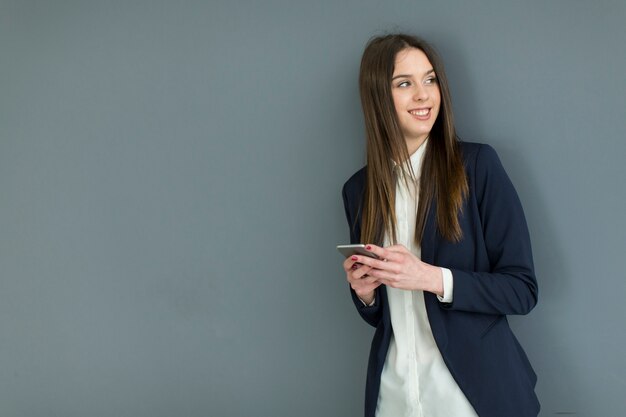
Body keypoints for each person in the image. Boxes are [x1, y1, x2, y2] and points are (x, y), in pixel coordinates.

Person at [341, 34, 539, 417]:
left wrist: (431, 277)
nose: (423, 95)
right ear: (378, 98)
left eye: (430, 80)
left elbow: (522, 289)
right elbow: (386, 316)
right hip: (394, 398)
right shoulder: (358, 190)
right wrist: (365, 294)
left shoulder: (478, 167)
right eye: (405, 83)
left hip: (471, 400)